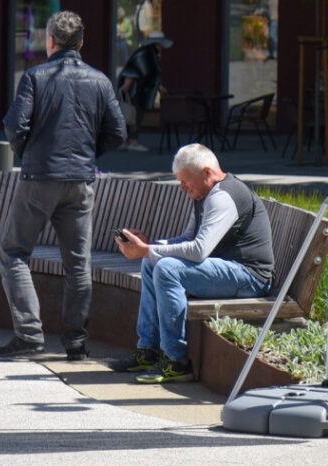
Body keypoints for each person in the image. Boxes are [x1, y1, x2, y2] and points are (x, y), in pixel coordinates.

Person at [0, 11, 127, 360]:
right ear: (81, 42)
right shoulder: (99, 80)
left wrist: (29, 152)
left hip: (39, 178)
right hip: (81, 180)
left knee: (13, 253)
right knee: (78, 264)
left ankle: (29, 336)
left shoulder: (35, 77)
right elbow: (118, 133)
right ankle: (76, 343)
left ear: (50, 41)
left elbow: (14, 127)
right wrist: (87, 152)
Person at [112, 143, 274, 382]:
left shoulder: (223, 197)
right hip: (225, 270)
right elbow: (188, 238)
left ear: (207, 172)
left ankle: (177, 361)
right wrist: (150, 246)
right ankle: (149, 350)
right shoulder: (205, 193)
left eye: (185, 181)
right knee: (153, 262)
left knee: (166, 268)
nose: (182, 188)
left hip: (250, 277)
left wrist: (147, 250)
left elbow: (199, 250)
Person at [117, 32, 173, 153]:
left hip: (140, 91)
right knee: (134, 115)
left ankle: (126, 141)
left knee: (131, 115)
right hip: (135, 91)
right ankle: (132, 141)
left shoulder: (150, 54)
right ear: (157, 44)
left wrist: (159, 88)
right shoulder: (145, 54)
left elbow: (150, 76)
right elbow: (133, 71)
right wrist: (125, 88)